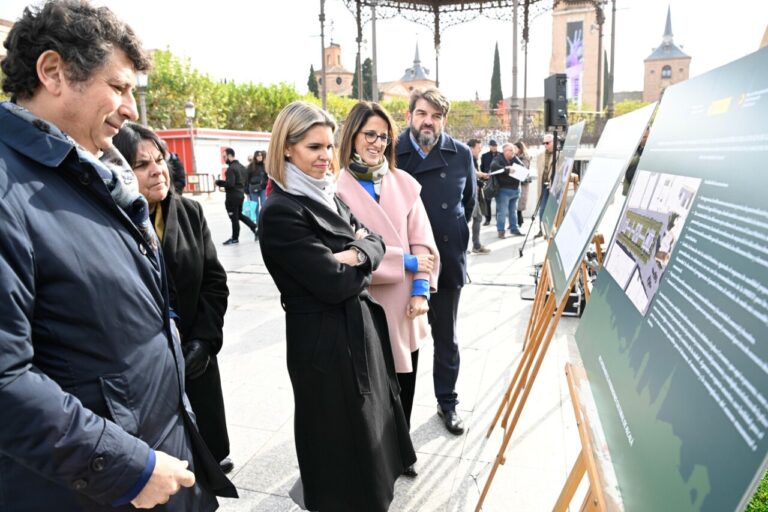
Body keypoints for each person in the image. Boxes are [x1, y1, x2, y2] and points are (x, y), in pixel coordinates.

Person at [0, 1, 235, 510]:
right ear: (53, 72)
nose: (131, 109)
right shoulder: (8, 190)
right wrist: (130, 468)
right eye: (120, 87)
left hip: (156, 462)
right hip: (100, 485)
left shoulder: (95, 172)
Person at [258, 101, 416, 511]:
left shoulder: (328, 194)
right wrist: (358, 253)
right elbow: (332, 281)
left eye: (329, 147)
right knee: (338, 451)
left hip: (358, 332)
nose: (326, 157)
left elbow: (378, 242)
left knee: (368, 444)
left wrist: (354, 254)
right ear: (287, 148)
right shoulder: (281, 211)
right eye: (314, 147)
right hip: (324, 347)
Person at [113, 122, 234, 475]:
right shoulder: (112, 221)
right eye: (142, 164)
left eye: (160, 159)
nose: (157, 170)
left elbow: (214, 282)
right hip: (146, 370)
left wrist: (204, 342)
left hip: (196, 358)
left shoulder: (190, 212)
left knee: (206, 462)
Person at [335, 101, 440, 477]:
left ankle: (402, 449)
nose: (376, 143)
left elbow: (424, 243)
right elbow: (348, 255)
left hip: (405, 306)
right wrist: (406, 263)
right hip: (363, 303)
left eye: (383, 136)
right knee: (371, 387)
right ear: (352, 136)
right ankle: (374, 455)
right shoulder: (337, 190)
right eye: (369, 135)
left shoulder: (405, 183)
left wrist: (420, 291)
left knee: (406, 381)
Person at [395, 87, 476, 436]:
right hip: (405, 266)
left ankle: (448, 402)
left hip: (446, 262)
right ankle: (395, 414)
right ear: (409, 115)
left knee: (447, 338)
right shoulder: (392, 151)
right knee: (400, 340)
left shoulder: (459, 154)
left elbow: (469, 203)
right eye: (422, 114)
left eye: (436, 116)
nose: (429, 122)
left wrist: (452, 238)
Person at [216, 147, 257, 245]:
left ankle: (235, 238)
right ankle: (255, 227)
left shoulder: (231, 168)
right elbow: (245, 181)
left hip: (232, 196)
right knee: (239, 215)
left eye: (224, 157)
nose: (224, 159)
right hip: (240, 195)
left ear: (230, 156)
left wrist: (219, 182)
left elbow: (230, 184)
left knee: (234, 217)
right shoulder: (242, 167)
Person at [490, 143, 524, 238]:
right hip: (503, 190)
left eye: (513, 150)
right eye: (510, 150)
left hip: (515, 190)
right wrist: (507, 169)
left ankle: (514, 229)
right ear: (505, 151)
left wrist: (514, 161)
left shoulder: (514, 158)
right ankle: (501, 231)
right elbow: (493, 166)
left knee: (513, 211)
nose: (513, 152)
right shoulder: (498, 158)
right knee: (502, 212)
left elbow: (522, 166)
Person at [467, 138, 491, 254]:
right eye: (478, 148)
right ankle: (472, 246)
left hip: (474, 191)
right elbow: (470, 172)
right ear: (471, 148)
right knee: (468, 219)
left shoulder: (474, 158)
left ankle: (475, 245)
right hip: (469, 193)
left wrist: (480, 177)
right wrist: (480, 174)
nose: (480, 150)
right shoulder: (466, 157)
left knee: (477, 218)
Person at [535, 133, 555, 238]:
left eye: (547, 143)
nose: (545, 145)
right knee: (542, 208)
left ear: (553, 142)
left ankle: (550, 230)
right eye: (544, 143)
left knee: (552, 209)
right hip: (543, 186)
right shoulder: (540, 156)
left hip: (554, 186)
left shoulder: (559, 154)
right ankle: (541, 230)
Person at [513, 140, 532, 229]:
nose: (513, 149)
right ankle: (518, 221)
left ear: (520, 148)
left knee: (520, 202)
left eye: (515, 148)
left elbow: (523, 169)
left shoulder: (525, 157)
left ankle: (519, 222)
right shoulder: (515, 156)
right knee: (516, 203)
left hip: (523, 182)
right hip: (516, 182)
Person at [480, 139, 499, 225]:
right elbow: (482, 167)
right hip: (488, 181)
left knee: (499, 201)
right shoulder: (484, 156)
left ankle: (498, 219)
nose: (494, 147)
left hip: (498, 181)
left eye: (495, 146)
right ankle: (488, 219)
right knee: (487, 201)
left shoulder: (500, 155)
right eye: (493, 146)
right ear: (490, 146)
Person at [246, 149, 268, 221]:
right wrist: (246, 191)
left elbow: (268, 177)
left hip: (263, 188)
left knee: (264, 204)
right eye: (258, 156)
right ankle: (258, 223)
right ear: (255, 157)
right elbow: (246, 179)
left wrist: (266, 183)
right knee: (255, 206)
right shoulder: (250, 166)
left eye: (261, 155)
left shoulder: (265, 165)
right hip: (253, 188)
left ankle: (264, 221)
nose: (260, 157)